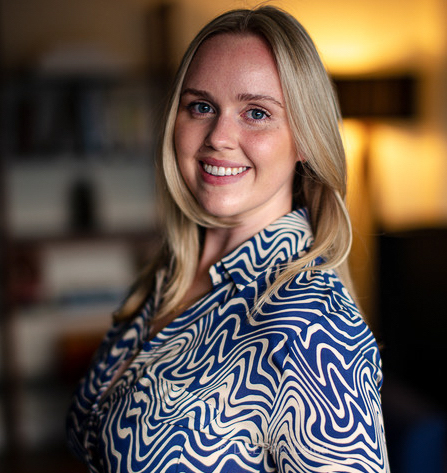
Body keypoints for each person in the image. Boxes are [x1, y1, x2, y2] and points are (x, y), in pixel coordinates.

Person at [67, 5, 390, 473]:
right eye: (201, 107)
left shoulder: (312, 326)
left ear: (304, 139)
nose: (219, 136)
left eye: (256, 113)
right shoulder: (167, 273)